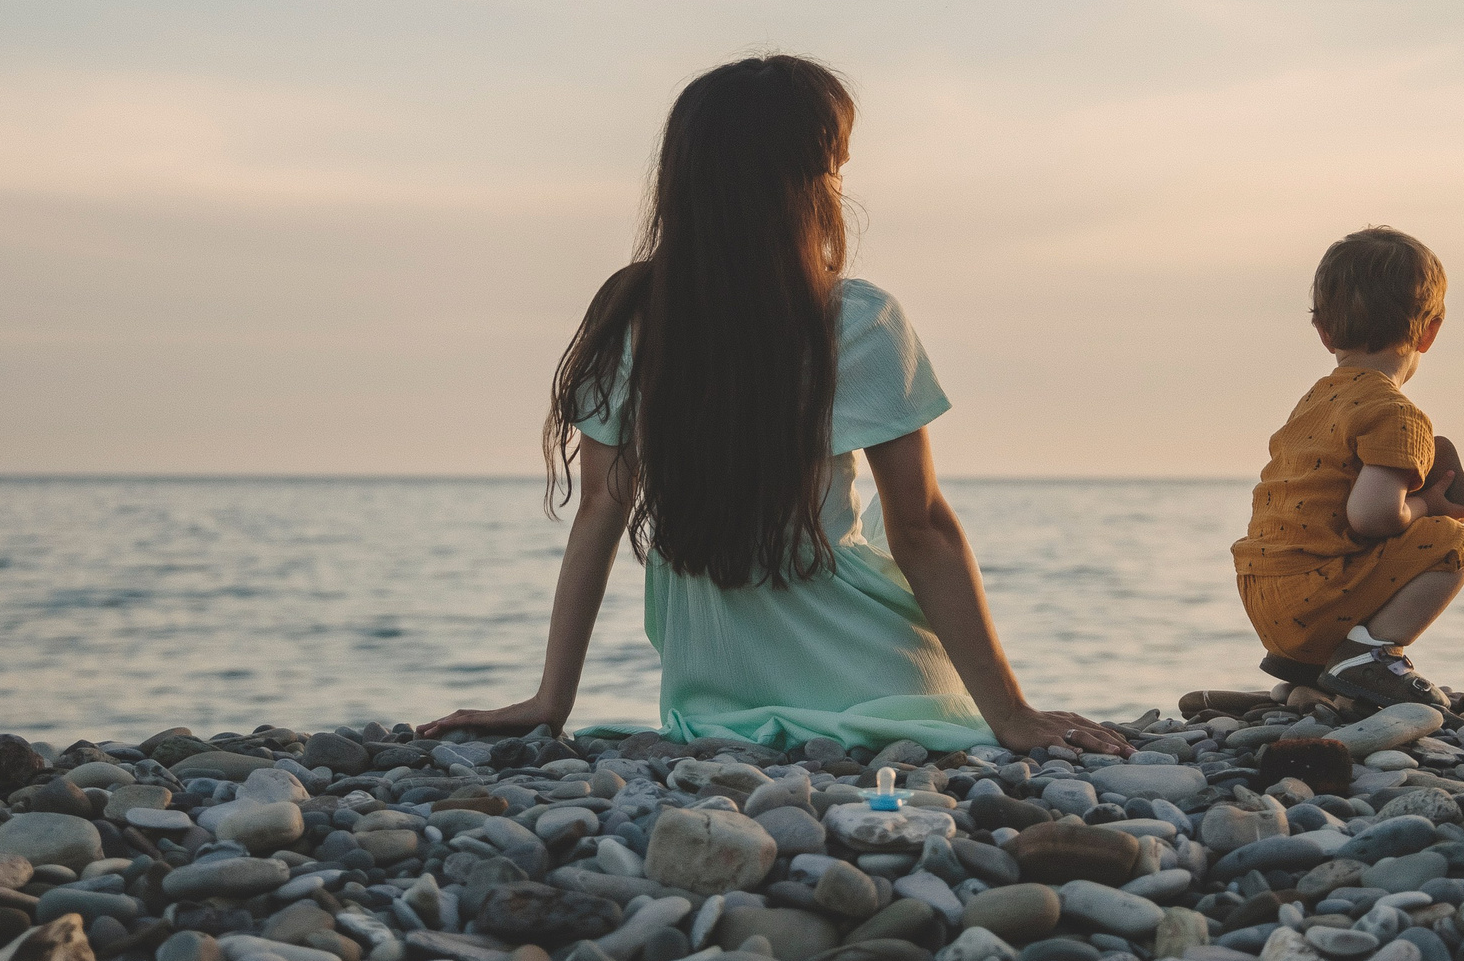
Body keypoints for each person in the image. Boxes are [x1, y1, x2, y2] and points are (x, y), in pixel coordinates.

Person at [423, 55, 1130, 758]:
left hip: (715, 697)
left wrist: (552, 701)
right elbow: (923, 528)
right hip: (873, 682)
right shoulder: (855, 318)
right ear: (799, 185)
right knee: (889, 518)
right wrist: (1009, 712)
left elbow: (602, 508)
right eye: (833, 166)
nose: (839, 187)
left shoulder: (633, 311)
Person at [1231, 226, 1464, 708]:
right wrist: (1428, 504)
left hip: (1266, 600)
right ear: (1430, 332)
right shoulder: (1396, 413)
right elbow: (1372, 517)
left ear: (1323, 332)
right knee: (1456, 546)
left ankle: (1312, 674)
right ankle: (1369, 658)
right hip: (1314, 601)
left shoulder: (1315, 403)